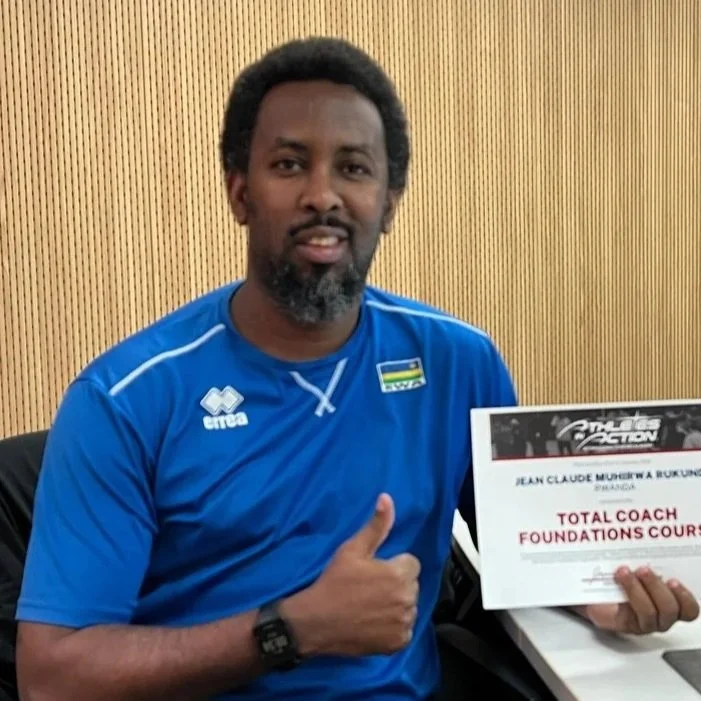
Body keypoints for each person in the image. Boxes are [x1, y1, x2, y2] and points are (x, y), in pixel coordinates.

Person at [16, 37, 699, 701]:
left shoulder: (458, 362)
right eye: (289, 164)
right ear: (239, 193)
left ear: (389, 201)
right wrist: (292, 630)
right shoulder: (124, 400)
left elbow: (524, 547)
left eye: (353, 168)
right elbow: (52, 678)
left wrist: (594, 592)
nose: (323, 195)